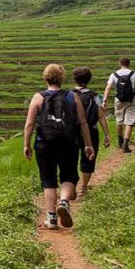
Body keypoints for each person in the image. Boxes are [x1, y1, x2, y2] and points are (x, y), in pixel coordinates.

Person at [24, 64, 95, 230]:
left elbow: (29, 123)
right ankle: (64, 201)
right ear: (62, 79)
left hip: (44, 143)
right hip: (69, 142)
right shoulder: (73, 96)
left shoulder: (38, 97)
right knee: (69, 176)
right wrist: (88, 144)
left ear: (45, 77)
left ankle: (52, 218)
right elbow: (83, 122)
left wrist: (27, 145)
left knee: (48, 180)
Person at [71, 67, 112, 198]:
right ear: (89, 79)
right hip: (91, 130)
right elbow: (101, 116)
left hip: (71, 132)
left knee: (70, 159)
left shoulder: (68, 94)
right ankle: (83, 188)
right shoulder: (95, 96)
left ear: (74, 79)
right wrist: (107, 134)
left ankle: (70, 187)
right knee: (88, 159)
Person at [102, 58, 135, 153]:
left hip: (118, 99)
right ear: (129, 64)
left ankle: (120, 141)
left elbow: (108, 88)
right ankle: (125, 144)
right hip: (132, 100)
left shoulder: (114, 74)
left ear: (120, 63)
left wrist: (104, 100)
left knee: (119, 120)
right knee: (130, 121)